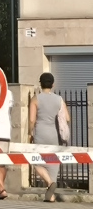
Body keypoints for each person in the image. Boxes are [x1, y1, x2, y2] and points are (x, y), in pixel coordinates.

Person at [30, 73, 70, 202]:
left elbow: (32, 120)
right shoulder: (59, 99)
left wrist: (30, 133)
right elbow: (67, 118)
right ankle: (51, 196)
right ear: (53, 84)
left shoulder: (36, 99)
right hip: (54, 134)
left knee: (35, 161)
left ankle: (49, 182)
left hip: (40, 133)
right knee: (53, 163)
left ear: (40, 83)